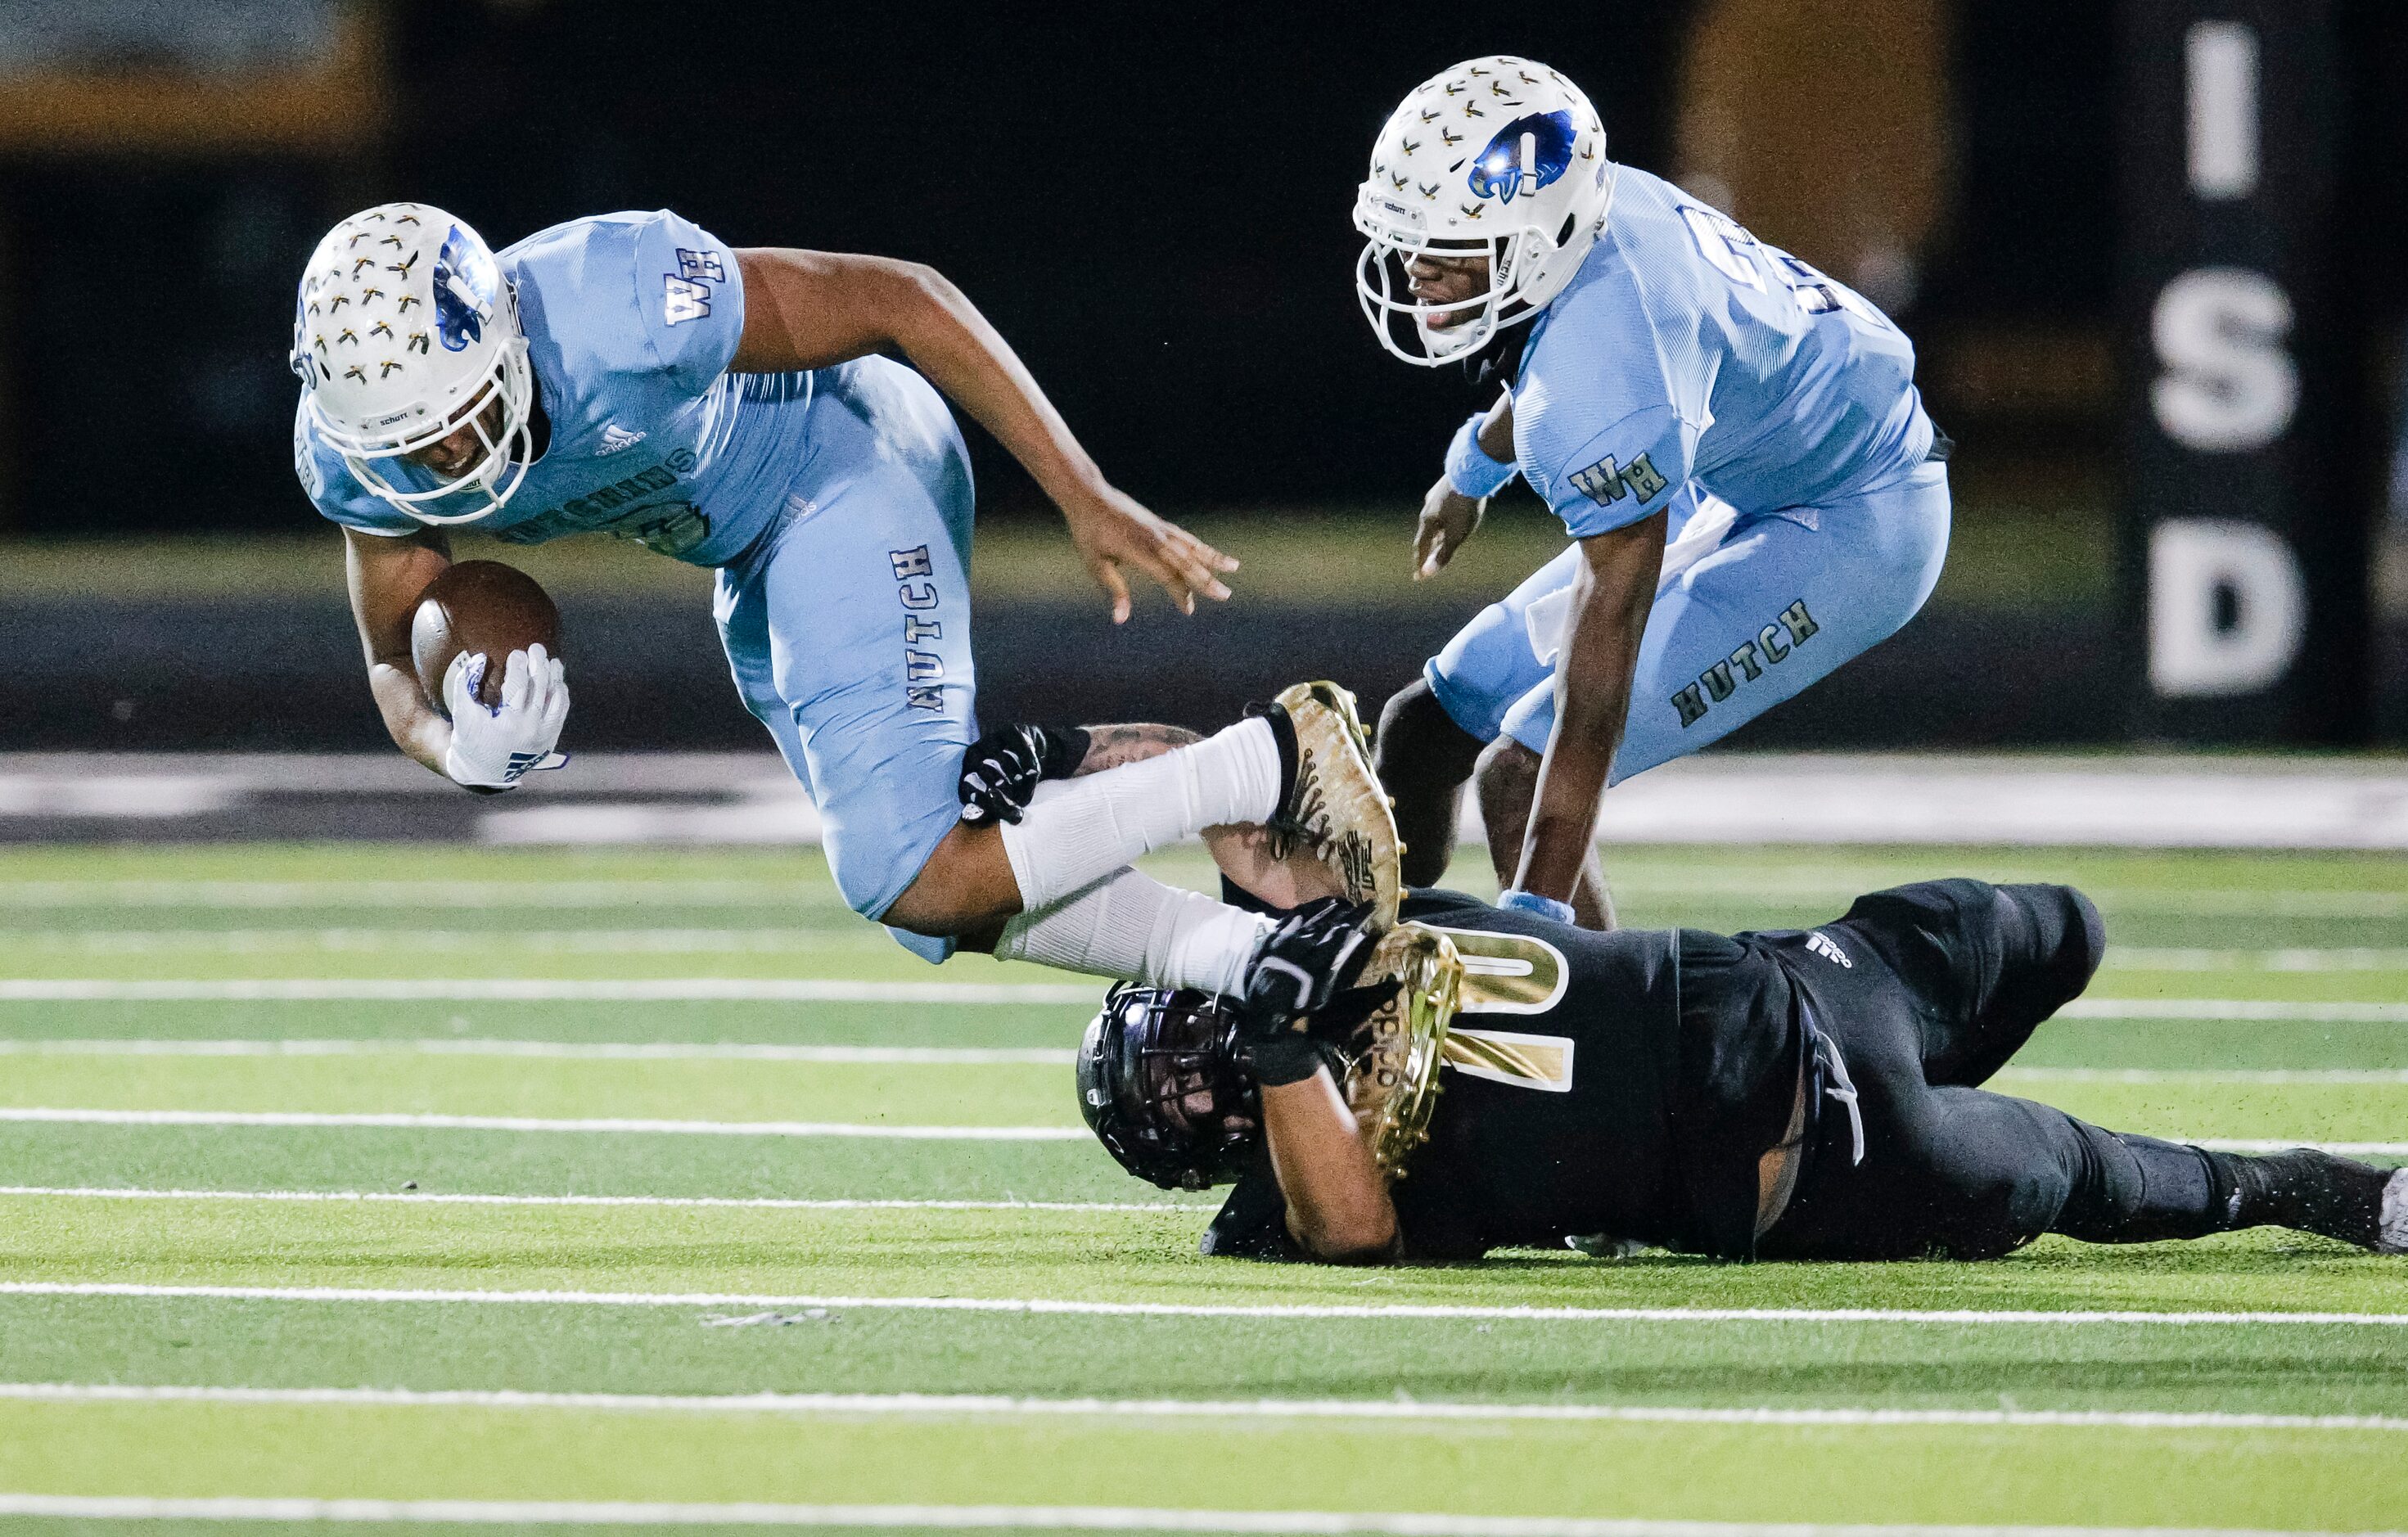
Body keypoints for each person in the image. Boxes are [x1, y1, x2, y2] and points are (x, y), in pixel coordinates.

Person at [291, 204, 1398, 992]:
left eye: (453, 413)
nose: (438, 456)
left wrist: (1080, 489)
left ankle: (1270, 760)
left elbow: (897, 300)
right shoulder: (358, 456)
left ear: (506, 337)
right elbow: (393, 658)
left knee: (905, 865)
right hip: (751, 551)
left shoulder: (622, 299)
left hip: (846, 458)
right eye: (404, 443)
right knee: (952, 903)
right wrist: (462, 753)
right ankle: (1267, 964)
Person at [1076, 841, 2408, 1265]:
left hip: (1806, 974)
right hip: (1818, 1153)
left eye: (1184, 1023)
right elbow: (1353, 1229)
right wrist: (1276, 1042)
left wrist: (1070, 777)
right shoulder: (1299, 1191)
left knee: (2057, 926)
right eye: (1182, 1082)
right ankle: (2325, 1188)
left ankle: (1954, 1057)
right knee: (2076, 1169)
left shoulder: (1314, 941)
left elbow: (1267, 793)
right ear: (1204, 1140)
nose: (1201, 1047)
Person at [1352, 56, 1952, 929]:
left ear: (1532, 237)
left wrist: (1536, 912)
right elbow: (1558, 365)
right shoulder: (1584, 226)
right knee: (1420, 730)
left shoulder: (1611, 366)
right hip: (1743, 463)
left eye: (1442, 244)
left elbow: (1596, 688)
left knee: (1517, 780)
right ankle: (1367, 982)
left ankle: (1614, 1044)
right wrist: (1470, 471)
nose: (1412, 270)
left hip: (1858, 518)